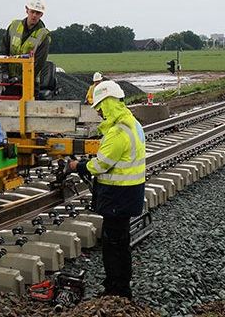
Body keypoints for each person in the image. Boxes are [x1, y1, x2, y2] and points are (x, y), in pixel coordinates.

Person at [69, 81, 145, 299]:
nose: (100, 112)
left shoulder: (118, 131)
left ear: (110, 103)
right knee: (121, 244)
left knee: (113, 246)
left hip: (117, 195)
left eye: (101, 106)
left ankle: (116, 290)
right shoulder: (133, 123)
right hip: (130, 193)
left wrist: (78, 166)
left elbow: (100, 165)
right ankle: (120, 286)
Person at [0, 0, 51, 97]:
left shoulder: (43, 35)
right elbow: (3, 50)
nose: (34, 15)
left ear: (42, 14)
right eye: (32, 12)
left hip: (30, 83)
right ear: (27, 10)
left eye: (38, 13)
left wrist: (20, 78)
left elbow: (38, 63)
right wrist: (4, 72)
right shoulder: (14, 26)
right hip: (9, 82)